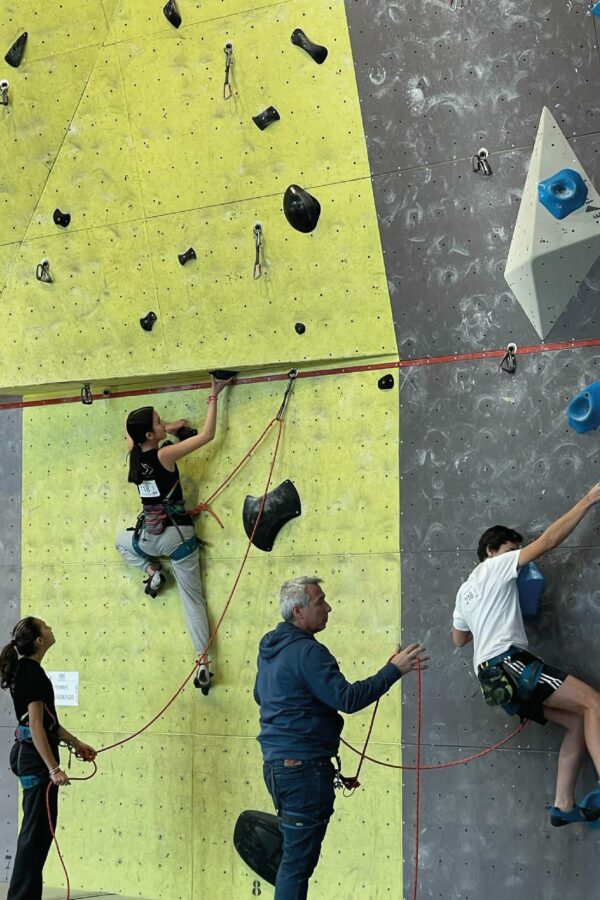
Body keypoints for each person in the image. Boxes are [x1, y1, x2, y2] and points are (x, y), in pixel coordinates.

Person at [254, 576, 427, 899]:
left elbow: (260, 696)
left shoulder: (270, 649)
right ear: (298, 612)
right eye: (320, 602)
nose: (328, 608)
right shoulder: (308, 652)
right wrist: (393, 671)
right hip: (304, 771)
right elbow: (347, 699)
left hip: (278, 769)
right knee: (296, 866)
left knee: (293, 862)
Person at [452, 482, 600, 827]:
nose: (518, 560)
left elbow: (459, 638)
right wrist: (588, 499)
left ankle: (563, 805)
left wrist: (492, 611)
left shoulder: (465, 591)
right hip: (509, 662)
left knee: (578, 721)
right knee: (593, 702)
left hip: (491, 680)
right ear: (491, 550)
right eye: (511, 551)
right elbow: (548, 541)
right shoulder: (495, 567)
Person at [115, 375, 232, 690]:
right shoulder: (164, 455)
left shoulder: (134, 453)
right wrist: (214, 394)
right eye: (158, 422)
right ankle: (203, 662)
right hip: (178, 537)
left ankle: (152, 572)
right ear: (149, 434)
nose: (162, 423)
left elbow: (129, 426)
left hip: (149, 538)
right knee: (192, 599)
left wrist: (168, 426)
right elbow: (208, 435)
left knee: (120, 541)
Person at [0, 617, 96, 900]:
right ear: (39, 641)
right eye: (46, 627)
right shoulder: (32, 674)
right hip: (35, 760)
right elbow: (36, 726)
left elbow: (48, 723)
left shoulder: (27, 671)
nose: (51, 628)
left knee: (38, 835)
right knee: (34, 836)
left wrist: (76, 743)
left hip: (30, 756)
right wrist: (53, 769)